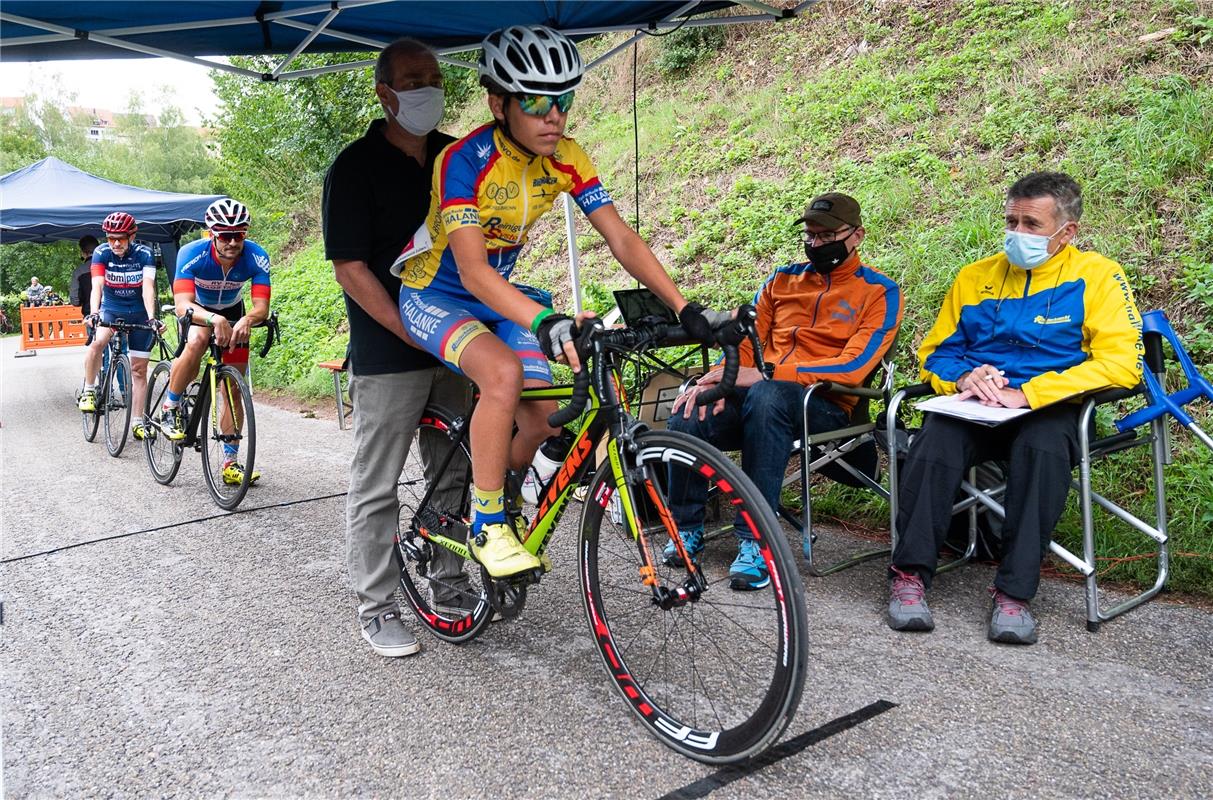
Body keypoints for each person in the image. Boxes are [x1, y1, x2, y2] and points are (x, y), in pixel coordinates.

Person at [395, 25, 725, 583]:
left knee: (543, 417)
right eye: (537, 101)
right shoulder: (463, 160)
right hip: (437, 293)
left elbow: (620, 237)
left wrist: (684, 307)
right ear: (498, 103)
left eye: (564, 100)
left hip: (503, 297)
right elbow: (473, 271)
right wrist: (546, 321)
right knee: (501, 377)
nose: (554, 115)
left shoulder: (567, 157)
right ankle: (487, 523)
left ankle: (502, 495)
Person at [886, 172, 1144, 645]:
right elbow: (936, 351)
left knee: (1042, 449)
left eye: (1031, 224)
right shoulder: (975, 276)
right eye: (1011, 221)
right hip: (978, 404)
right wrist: (964, 376)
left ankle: (1015, 594)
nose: (1017, 234)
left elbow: (1122, 365)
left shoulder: (1099, 276)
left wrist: (1031, 394)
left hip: (1048, 406)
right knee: (934, 438)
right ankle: (909, 576)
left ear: (1067, 232)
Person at [664, 193, 903, 590]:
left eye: (827, 236)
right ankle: (686, 528)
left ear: (856, 235)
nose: (815, 244)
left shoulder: (879, 291)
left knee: (769, 394)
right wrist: (721, 379)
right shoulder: (781, 279)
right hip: (760, 397)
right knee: (692, 405)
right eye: (809, 235)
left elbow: (854, 366)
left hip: (823, 403)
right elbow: (745, 345)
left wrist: (769, 372)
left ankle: (756, 541)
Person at [323, 37, 473, 658]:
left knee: (455, 469)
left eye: (433, 78)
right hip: (388, 351)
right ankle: (377, 607)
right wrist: (407, 328)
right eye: (413, 81)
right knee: (377, 483)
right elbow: (350, 267)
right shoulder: (354, 165)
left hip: (456, 341)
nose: (427, 90)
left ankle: (450, 581)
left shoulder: (457, 156)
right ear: (384, 92)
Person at [163, 198, 271, 484]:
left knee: (233, 388)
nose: (232, 242)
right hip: (198, 309)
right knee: (198, 340)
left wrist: (248, 319)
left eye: (239, 235)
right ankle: (170, 406)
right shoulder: (192, 253)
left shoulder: (256, 256)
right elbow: (182, 304)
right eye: (225, 235)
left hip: (235, 311)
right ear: (212, 234)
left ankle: (230, 463)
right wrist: (212, 320)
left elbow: (261, 306)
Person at [78, 212, 163, 440]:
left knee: (139, 370)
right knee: (98, 341)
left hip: (138, 312)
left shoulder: (144, 254)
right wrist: (94, 313)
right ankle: (89, 390)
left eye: (121, 238)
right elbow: (97, 285)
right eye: (111, 237)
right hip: (111, 308)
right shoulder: (101, 253)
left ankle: (137, 421)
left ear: (132, 235)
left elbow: (148, 287)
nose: (116, 243)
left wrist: (152, 318)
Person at [71, 235, 100, 316]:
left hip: (91, 316)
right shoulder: (111, 266)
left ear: (83, 253)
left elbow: (75, 301)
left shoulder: (79, 272)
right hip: (113, 314)